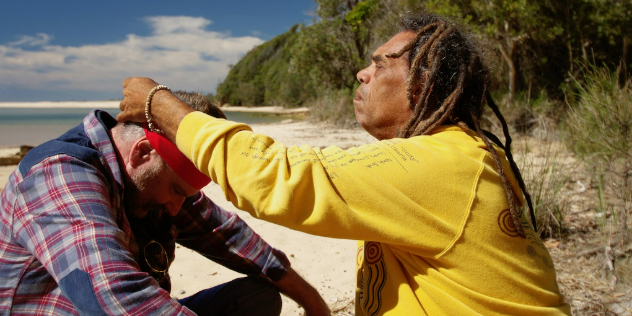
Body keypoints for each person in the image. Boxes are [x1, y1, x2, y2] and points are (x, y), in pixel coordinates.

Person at [117, 13, 572, 316]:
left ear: (424, 82)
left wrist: (162, 106)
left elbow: (280, 177)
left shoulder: (442, 163)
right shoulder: (460, 155)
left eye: (380, 63)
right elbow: (227, 230)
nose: (362, 73)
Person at [0, 91, 329, 316]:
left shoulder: (150, 180)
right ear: (142, 153)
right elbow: (115, 297)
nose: (176, 208)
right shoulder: (58, 174)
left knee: (255, 299)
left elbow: (228, 235)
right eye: (175, 190)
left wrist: (313, 302)